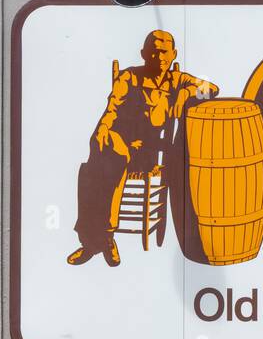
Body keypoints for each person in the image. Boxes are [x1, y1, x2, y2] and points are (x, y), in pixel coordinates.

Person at [67, 30, 218, 266]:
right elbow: (112, 109)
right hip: (120, 142)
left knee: (108, 164)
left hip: (149, 152)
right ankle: (95, 240)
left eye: (164, 52)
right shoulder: (129, 77)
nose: (159, 58)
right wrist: (102, 132)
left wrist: (186, 93)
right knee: (91, 168)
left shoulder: (177, 81)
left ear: (173, 54)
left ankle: (99, 240)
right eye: (154, 52)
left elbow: (211, 88)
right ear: (144, 54)